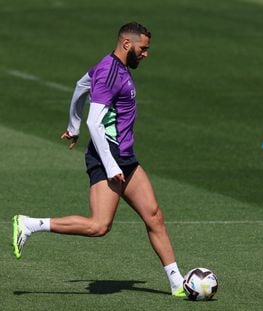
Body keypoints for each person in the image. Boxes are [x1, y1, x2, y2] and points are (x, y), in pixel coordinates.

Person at [12, 22, 186, 297]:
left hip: (125, 156)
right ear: (127, 44)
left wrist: (73, 125)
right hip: (109, 157)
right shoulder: (109, 73)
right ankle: (30, 224)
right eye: (143, 48)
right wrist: (110, 163)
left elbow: (81, 85)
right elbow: (96, 122)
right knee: (99, 226)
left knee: (154, 216)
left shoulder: (111, 67)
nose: (146, 54)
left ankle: (178, 284)